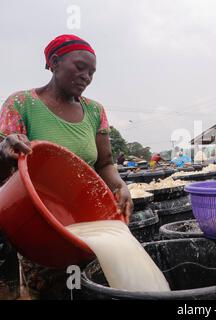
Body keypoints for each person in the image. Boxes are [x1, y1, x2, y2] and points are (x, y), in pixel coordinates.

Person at [0, 34, 133, 299]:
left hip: (85, 219)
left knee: (91, 289)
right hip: (38, 220)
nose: (87, 76)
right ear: (55, 62)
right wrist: (4, 152)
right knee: (51, 291)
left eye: (92, 72)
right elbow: (6, 172)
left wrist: (119, 185)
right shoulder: (21, 104)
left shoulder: (95, 111)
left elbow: (105, 163)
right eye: (80, 67)